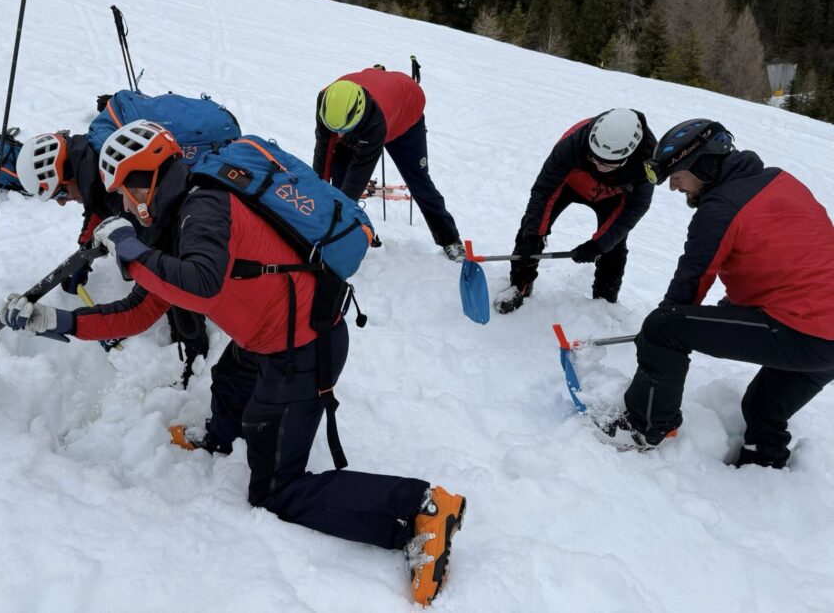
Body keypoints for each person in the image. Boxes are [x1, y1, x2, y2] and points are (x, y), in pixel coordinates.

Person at [2, 119, 466, 605]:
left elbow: (201, 284)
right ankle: (220, 436)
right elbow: (141, 309)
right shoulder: (176, 220)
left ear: (148, 179)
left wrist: (132, 252)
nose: (125, 204)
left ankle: (420, 509)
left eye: (125, 191)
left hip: (304, 350)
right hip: (269, 336)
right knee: (229, 378)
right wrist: (57, 320)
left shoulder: (205, 208)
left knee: (277, 493)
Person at [601, 119, 834, 466]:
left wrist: (655, 336)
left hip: (802, 330)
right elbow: (792, 260)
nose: (673, 186)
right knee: (763, 408)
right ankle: (764, 469)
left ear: (702, 164)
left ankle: (643, 426)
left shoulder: (721, 208)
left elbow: (689, 284)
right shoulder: (780, 181)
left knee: (663, 327)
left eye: (676, 175)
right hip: (823, 338)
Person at [16, 130, 210, 387]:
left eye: (60, 194)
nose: (62, 203)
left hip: (199, 260)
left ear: (64, 175)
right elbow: (98, 209)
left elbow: (155, 273)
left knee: (176, 292)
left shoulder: (114, 179)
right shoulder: (90, 162)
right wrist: (83, 254)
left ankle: (194, 360)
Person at [493, 108, 656, 314]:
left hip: (613, 196)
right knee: (529, 231)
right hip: (569, 184)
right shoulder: (574, 141)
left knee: (614, 248)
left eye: (607, 164)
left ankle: (604, 305)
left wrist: (599, 244)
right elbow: (544, 191)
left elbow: (635, 207)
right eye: (594, 159)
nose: (598, 167)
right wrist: (533, 236)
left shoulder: (649, 160)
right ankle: (520, 285)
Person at [312, 66, 464, 262]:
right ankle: (340, 235)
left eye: (343, 130)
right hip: (368, 107)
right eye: (335, 130)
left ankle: (450, 239)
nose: (339, 135)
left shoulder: (375, 122)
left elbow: (358, 175)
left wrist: (341, 211)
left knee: (418, 181)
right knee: (338, 176)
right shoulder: (325, 103)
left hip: (405, 116)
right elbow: (323, 153)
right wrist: (317, 195)